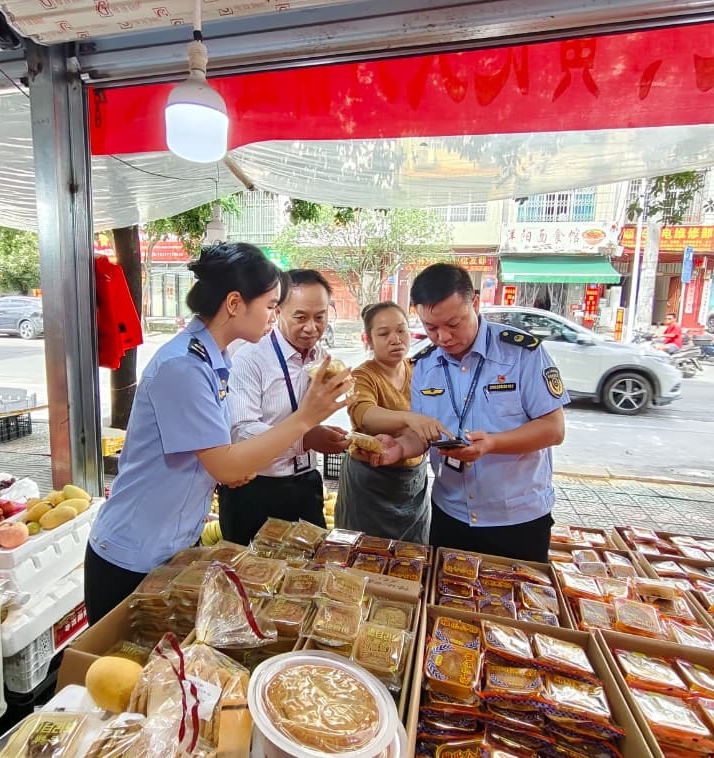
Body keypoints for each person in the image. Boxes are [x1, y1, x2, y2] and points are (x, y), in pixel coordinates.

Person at [85, 245, 352, 624]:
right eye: (271, 306)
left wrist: (223, 468)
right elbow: (225, 465)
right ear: (234, 303)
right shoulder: (184, 366)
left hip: (173, 542)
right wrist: (306, 418)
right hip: (132, 553)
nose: (274, 317)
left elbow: (214, 454)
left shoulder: (215, 359)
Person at [362, 263, 569, 562]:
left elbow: (553, 429)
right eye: (431, 328)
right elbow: (422, 435)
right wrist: (400, 448)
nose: (443, 337)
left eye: (453, 324)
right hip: (451, 515)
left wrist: (493, 444)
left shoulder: (522, 354)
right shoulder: (425, 365)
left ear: (475, 302)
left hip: (517, 520)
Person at [219, 269, 351, 546]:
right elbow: (240, 432)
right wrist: (305, 438)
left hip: (306, 484)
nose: (312, 327)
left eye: (320, 317)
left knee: (310, 575)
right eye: (300, 317)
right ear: (277, 311)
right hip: (254, 490)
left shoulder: (323, 359)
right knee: (251, 578)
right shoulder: (250, 358)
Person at [335, 302, 451, 543]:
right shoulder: (362, 375)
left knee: (411, 554)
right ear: (368, 339)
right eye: (384, 333)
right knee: (362, 551)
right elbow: (364, 413)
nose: (395, 339)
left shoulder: (421, 371)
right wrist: (410, 418)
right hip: (369, 480)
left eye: (401, 330)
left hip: (411, 479)